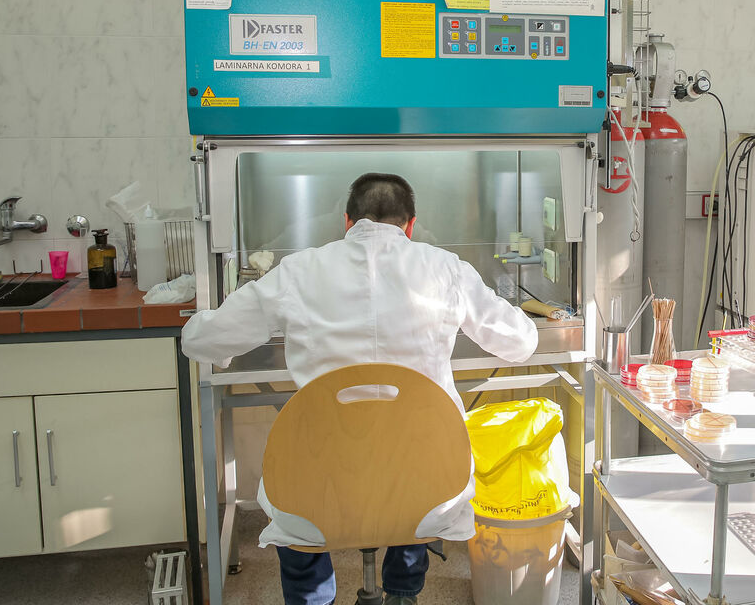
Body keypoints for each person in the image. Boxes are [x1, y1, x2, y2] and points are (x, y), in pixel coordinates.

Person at [182, 172, 538, 605]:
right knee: (423, 456)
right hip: (426, 488)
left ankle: (311, 598)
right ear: (410, 225)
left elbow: (200, 341)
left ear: (347, 222)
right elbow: (521, 342)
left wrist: (204, 322)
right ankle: (403, 592)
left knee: (297, 488)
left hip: (319, 486)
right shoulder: (447, 269)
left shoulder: (298, 271)